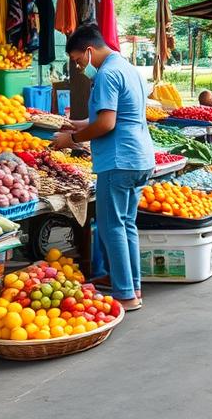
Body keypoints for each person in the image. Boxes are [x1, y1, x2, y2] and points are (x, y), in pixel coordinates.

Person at [52, 23, 153, 312]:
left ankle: (124, 293)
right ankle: (131, 284)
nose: (79, 65)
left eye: (78, 60)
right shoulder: (127, 68)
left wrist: (71, 139)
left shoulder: (107, 74)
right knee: (126, 224)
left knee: (111, 227)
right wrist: (80, 125)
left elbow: (107, 124)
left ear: (88, 50)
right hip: (139, 157)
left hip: (119, 160)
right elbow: (116, 117)